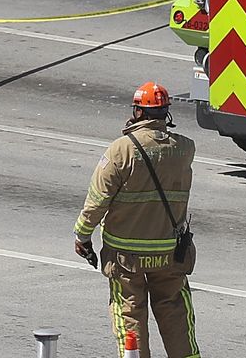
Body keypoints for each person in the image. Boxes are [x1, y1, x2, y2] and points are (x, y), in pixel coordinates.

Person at [74, 82, 199, 358]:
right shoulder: (185, 149)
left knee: (129, 314)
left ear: (138, 112)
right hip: (169, 254)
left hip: (125, 256)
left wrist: (82, 236)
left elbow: (97, 201)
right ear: (166, 113)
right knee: (176, 313)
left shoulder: (121, 151)